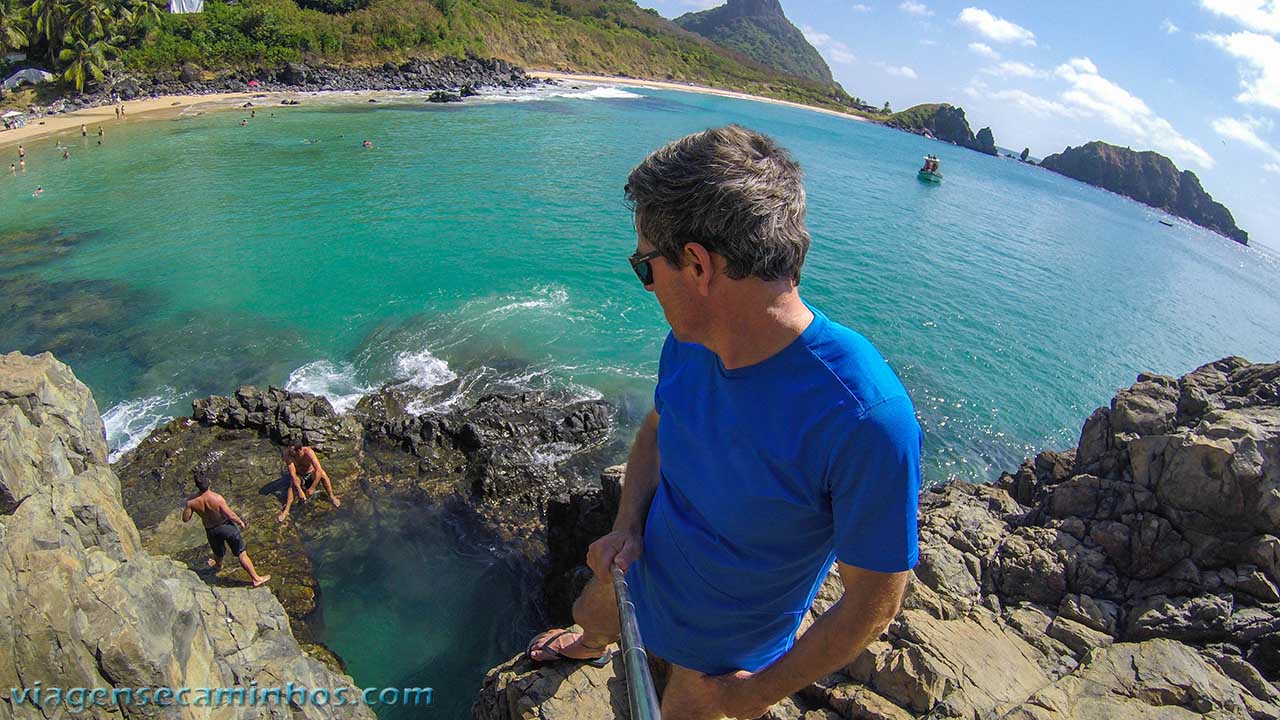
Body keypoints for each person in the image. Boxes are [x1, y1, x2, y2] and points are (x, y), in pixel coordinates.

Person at [524, 125, 922, 720]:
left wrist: (749, 694)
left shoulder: (865, 418)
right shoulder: (692, 341)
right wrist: (628, 524)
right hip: (643, 566)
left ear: (697, 265)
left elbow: (874, 603)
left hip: (724, 650)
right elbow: (657, 431)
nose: (647, 284)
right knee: (589, 613)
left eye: (645, 266)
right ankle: (589, 645)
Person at [183, 469, 271, 587]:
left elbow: (186, 519)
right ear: (209, 482)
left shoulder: (192, 502)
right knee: (241, 553)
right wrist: (240, 522)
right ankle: (256, 578)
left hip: (211, 530)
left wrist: (190, 506)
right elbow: (230, 515)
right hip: (226, 527)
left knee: (218, 552)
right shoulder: (217, 498)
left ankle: (218, 566)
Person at [277, 441, 341, 522]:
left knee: (323, 474)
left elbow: (318, 469)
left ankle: (332, 496)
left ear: (299, 450)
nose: (290, 452)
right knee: (293, 482)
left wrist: (312, 488)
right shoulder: (288, 455)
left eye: (292, 450)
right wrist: (300, 491)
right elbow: (293, 475)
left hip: (311, 473)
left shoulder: (308, 452)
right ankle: (286, 510)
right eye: (289, 449)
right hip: (299, 475)